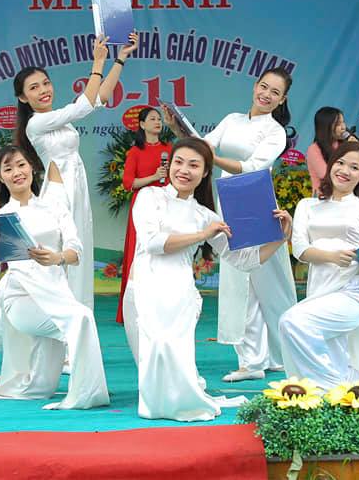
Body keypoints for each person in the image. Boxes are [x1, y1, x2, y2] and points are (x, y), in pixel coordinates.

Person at [123, 137, 291, 421]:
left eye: (193, 165)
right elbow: (153, 243)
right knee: (153, 358)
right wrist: (202, 235)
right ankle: (162, 402)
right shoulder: (149, 197)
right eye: (178, 162)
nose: (184, 170)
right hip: (144, 288)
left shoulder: (205, 215)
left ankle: (176, 401)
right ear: (169, 165)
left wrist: (281, 238)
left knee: (172, 360)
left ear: (204, 173)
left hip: (179, 294)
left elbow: (243, 260)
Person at [0, 147, 109, 410]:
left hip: (56, 295)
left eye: (21, 165)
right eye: (8, 169)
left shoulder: (55, 206)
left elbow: (76, 251)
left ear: (31, 167)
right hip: (21, 298)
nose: (17, 173)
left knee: (37, 389)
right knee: (82, 318)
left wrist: (57, 257)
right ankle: (87, 393)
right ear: (0, 177)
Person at [166, 67, 297, 383]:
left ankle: (286, 354)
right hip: (228, 199)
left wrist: (213, 159)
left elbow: (253, 167)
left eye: (275, 92)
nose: (266, 95)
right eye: (263, 87)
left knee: (273, 284)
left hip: (256, 201)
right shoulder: (232, 119)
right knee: (240, 280)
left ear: (282, 99)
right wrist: (177, 130)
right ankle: (251, 361)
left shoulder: (275, 131)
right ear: (255, 86)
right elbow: (202, 148)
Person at [14, 33, 137, 309]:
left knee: (78, 250)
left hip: (76, 190)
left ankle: (78, 317)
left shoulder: (58, 118)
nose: (43, 90)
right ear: (23, 97)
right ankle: (59, 316)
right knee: (63, 251)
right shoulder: (36, 123)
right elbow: (84, 106)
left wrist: (120, 59)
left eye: (46, 83)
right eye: (34, 88)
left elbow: (99, 98)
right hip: (60, 194)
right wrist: (98, 62)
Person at [278, 141, 359, 391]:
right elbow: (300, 250)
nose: (344, 171)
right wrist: (332, 256)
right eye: (340, 163)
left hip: (351, 292)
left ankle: (330, 388)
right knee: (329, 347)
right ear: (331, 165)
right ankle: (343, 382)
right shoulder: (307, 205)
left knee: (291, 321)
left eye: (354, 167)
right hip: (319, 290)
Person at [116, 106, 172, 324]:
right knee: (138, 250)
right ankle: (133, 308)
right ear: (142, 124)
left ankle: (164, 305)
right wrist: (153, 177)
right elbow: (128, 183)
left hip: (166, 202)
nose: (157, 122)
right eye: (152, 119)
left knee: (165, 249)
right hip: (143, 203)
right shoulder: (135, 152)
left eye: (159, 119)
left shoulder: (169, 149)